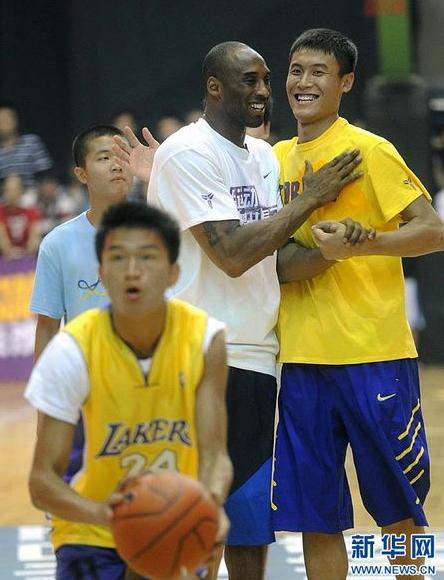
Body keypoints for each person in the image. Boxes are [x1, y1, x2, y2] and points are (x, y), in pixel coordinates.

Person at [114, 41, 369, 580]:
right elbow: (231, 254)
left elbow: (272, 262)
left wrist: (335, 248)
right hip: (194, 360)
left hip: (255, 361)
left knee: (249, 529)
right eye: (249, 81)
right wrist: (312, 197)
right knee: (171, 519)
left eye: (264, 80)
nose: (262, 92)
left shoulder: (259, 158)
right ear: (214, 86)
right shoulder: (189, 153)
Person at [271, 28, 444, 580]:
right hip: (300, 360)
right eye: (297, 70)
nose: (304, 82)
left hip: (374, 354)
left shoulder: (370, 150)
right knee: (315, 518)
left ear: (345, 83)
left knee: (396, 511)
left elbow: (432, 230)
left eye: (318, 72)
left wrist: (367, 242)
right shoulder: (270, 159)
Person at [26, 200, 232, 580]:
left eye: (147, 257)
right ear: (102, 273)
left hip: (175, 521)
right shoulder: (72, 350)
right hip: (90, 530)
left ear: (173, 273)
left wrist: (209, 502)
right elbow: (42, 482)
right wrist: (107, 515)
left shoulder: (206, 340)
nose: (132, 271)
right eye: (118, 258)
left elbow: (215, 455)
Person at [30, 125, 133, 482]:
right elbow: (46, 329)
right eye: (104, 158)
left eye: (122, 156)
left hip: (148, 394)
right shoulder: (58, 244)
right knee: (81, 511)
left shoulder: (161, 232)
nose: (117, 165)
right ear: (81, 174)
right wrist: (47, 412)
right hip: (83, 396)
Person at [0, 100, 53, 190]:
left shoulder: (32, 142)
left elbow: (45, 173)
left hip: (32, 194)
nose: (5, 122)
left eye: (8, 117)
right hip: (5, 199)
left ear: (15, 119)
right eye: (1, 119)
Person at [0, 174, 41, 258]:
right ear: (4, 191)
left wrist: (27, 252)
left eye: (15, 189)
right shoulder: (1, 211)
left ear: (21, 191)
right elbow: (2, 237)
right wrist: (9, 252)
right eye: (8, 190)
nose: (12, 193)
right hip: (5, 258)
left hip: (28, 257)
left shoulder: (31, 211)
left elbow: (34, 237)